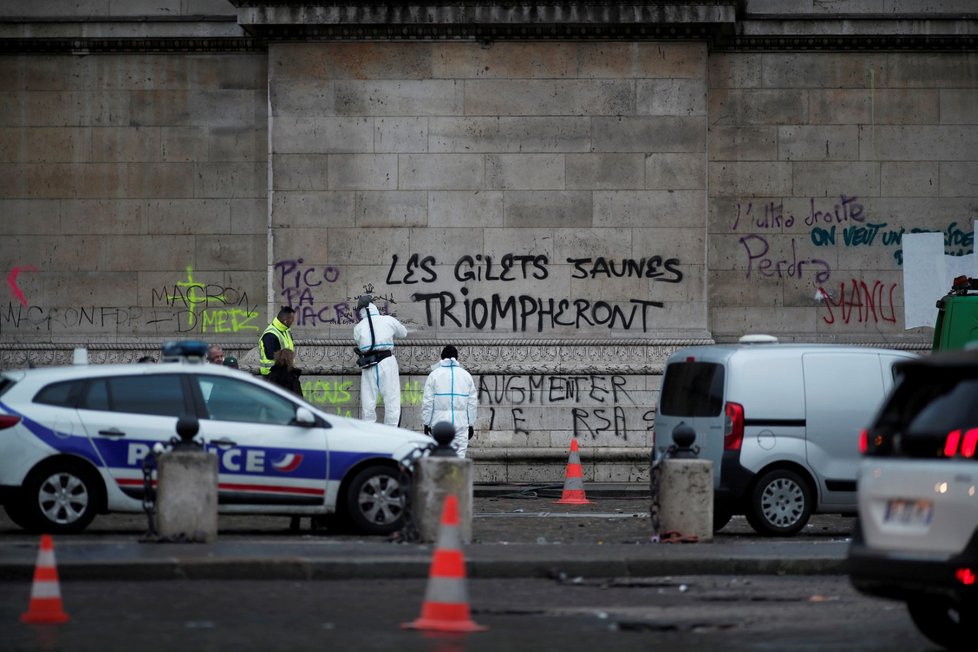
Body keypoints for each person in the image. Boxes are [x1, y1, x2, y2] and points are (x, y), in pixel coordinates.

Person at [353, 295, 407, 426]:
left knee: (368, 403)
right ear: (373, 306)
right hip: (387, 362)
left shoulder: (358, 327)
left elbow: (359, 342)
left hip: (369, 364)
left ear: (360, 310)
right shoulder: (388, 320)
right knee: (392, 400)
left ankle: (370, 435)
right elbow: (403, 333)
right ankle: (391, 434)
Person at [421, 345, 478, 458]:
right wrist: (471, 424)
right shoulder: (466, 376)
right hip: (461, 424)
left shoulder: (434, 375)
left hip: (439, 424)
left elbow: (428, 402)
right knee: (460, 457)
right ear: (457, 357)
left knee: (440, 458)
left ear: (442, 358)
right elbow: (472, 403)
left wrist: (426, 423)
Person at [259, 306, 296, 377]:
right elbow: (271, 356)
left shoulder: (286, 330)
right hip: (272, 374)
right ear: (286, 321)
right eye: (292, 320)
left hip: (284, 372)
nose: (293, 322)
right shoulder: (270, 335)